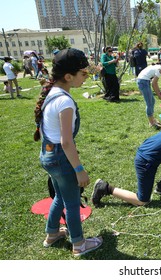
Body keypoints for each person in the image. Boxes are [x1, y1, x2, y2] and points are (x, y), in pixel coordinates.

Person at [33, 48, 103, 255]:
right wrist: (79, 169)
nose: (87, 77)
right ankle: (79, 244)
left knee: (60, 198)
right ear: (68, 76)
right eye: (84, 74)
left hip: (47, 156)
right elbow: (66, 142)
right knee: (72, 203)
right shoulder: (64, 101)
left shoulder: (52, 93)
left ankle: (52, 234)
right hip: (61, 158)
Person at [137, 58, 161, 129]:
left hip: (145, 81)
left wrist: (159, 92)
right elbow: (154, 83)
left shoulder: (158, 67)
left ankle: (152, 119)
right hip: (142, 81)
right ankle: (151, 122)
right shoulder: (159, 70)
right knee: (149, 103)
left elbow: (155, 83)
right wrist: (159, 95)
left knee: (152, 101)